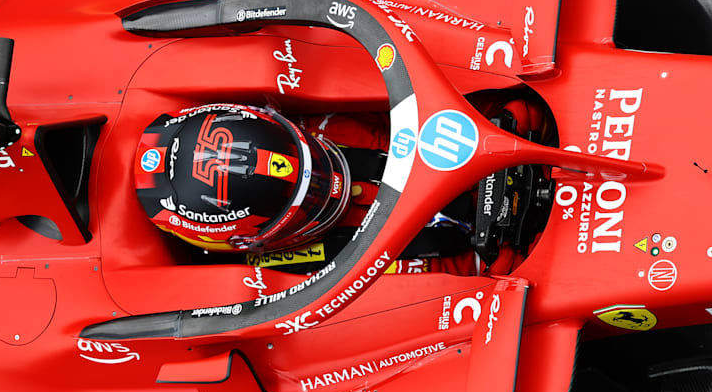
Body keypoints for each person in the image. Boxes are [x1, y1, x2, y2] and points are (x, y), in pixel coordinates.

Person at [134, 103, 479, 274]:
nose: (330, 189)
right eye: (306, 200)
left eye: (315, 166)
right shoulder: (290, 274)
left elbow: (443, 116)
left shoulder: (331, 127)